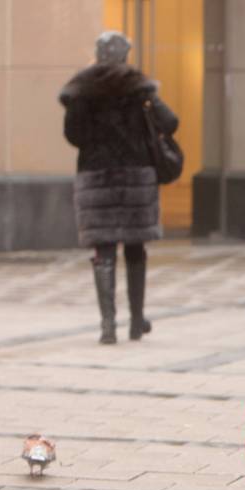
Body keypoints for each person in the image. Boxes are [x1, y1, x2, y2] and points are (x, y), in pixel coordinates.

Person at [59, 31, 177, 345]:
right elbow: (171, 122)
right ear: (125, 54)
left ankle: (107, 326)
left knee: (104, 249)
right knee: (136, 247)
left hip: (96, 176)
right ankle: (137, 322)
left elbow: (72, 134)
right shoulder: (139, 87)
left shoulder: (82, 89)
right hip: (136, 176)